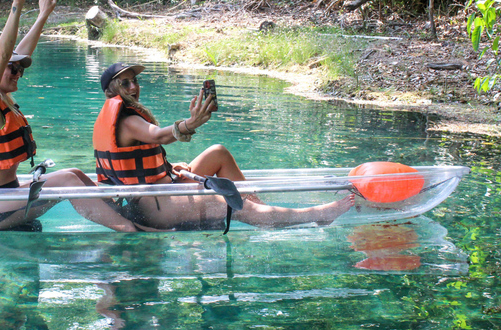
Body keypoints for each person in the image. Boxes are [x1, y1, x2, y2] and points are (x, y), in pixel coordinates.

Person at [0, 0, 141, 232]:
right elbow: (2, 54)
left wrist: (43, 13)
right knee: (68, 180)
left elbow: (17, 53)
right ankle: (130, 230)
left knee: (76, 174)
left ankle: (127, 214)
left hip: (7, 197)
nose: (19, 73)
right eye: (13, 69)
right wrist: (17, 4)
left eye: (21, 69)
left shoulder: (2, 98)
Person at [93, 62, 355, 230]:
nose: (134, 86)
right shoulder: (126, 120)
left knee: (218, 152)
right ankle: (315, 215)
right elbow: (160, 136)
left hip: (163, 186)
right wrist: (190, 123)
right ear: (110, 91)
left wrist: (170, 167)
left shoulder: (127, 117)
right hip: (152, 206)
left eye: (134, 81)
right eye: (125, 82)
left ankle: (262, 212)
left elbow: (137, 160)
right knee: (231, 204)